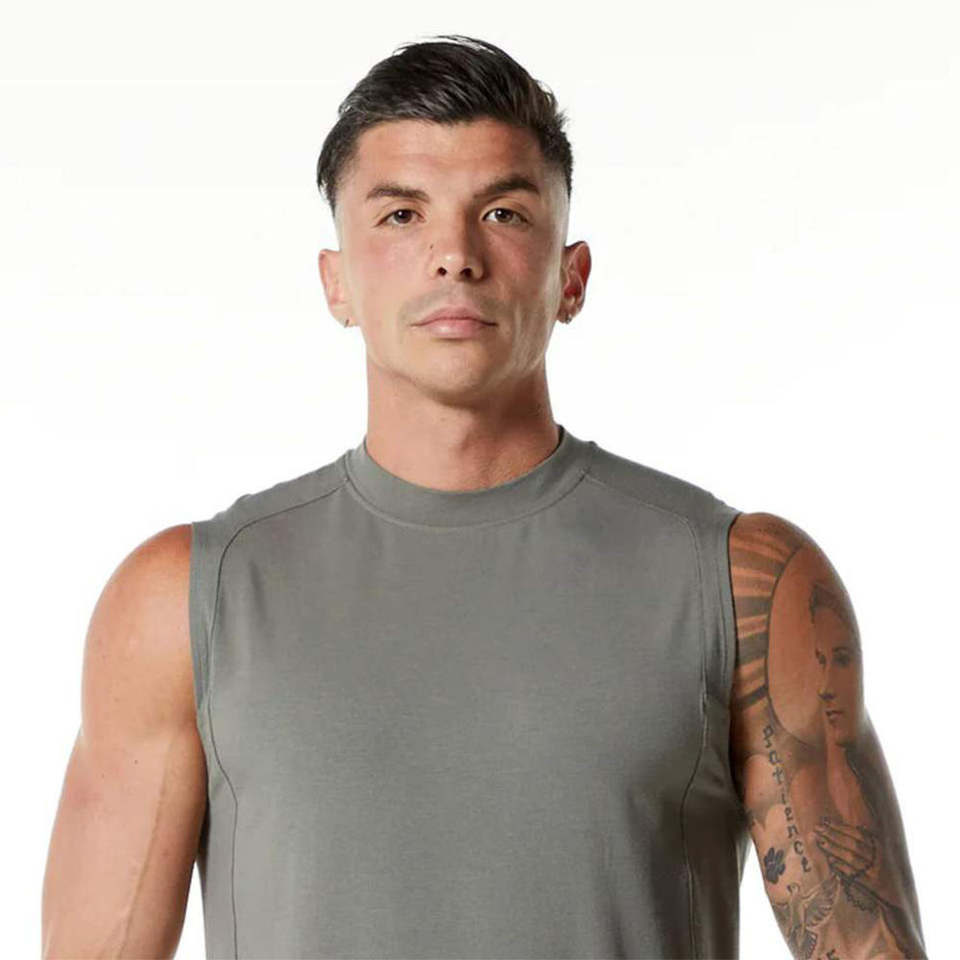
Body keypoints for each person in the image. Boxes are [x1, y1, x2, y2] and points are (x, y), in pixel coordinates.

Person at [40, 33, 926, 960]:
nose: (454, 256)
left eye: (502, 213)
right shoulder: (184, 600)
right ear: (336, 283)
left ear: (571, 278)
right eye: (401, 215)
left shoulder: (744, 588)